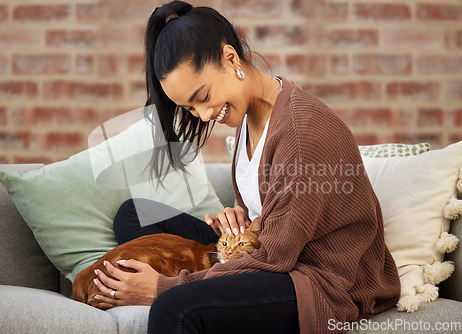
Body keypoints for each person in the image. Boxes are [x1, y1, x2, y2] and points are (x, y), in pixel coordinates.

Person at [92, 1, 401, 333]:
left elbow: (275, 256)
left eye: (203, 96)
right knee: (133, 215)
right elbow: (273, 206)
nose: (205, 115)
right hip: (272, 248)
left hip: (317, 278)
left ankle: (171, 285)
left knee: (174, 307)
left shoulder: (300, 133)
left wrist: (163, 288)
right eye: (190, 108)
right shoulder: (250, 115)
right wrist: (241, 216)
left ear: (230, 58)